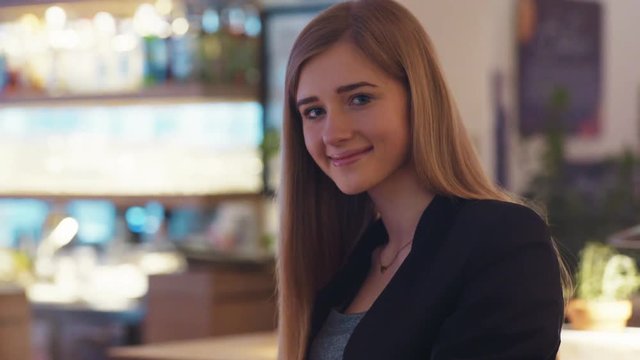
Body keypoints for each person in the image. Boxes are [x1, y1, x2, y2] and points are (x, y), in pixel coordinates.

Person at [276, 0, 569, 359]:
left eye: (360, 98)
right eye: (314, 111)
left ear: (418, 97)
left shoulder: (501, 240)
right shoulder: (353, 259)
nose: (332, 133)